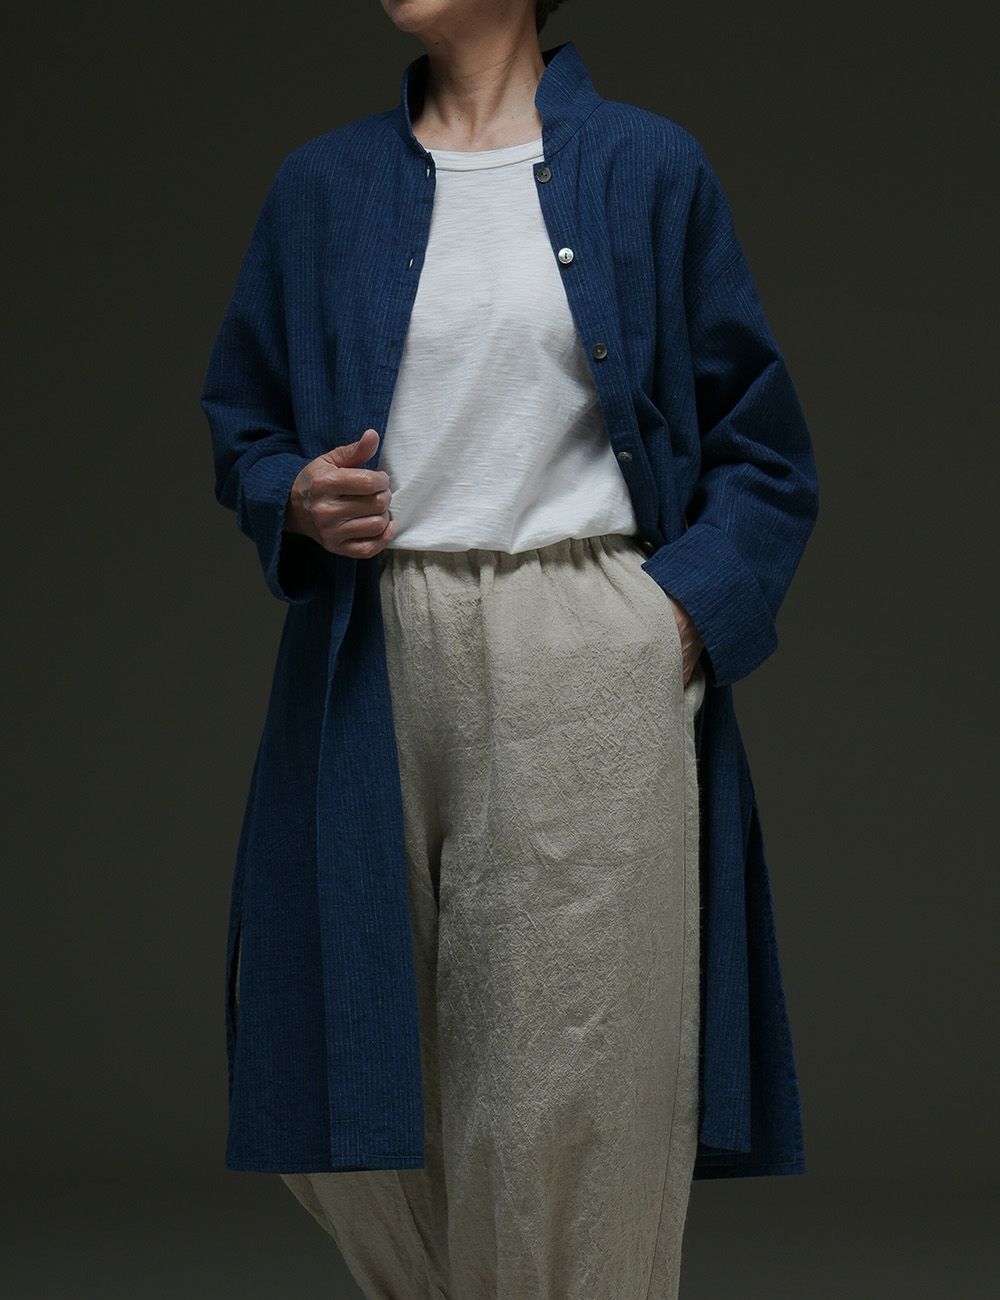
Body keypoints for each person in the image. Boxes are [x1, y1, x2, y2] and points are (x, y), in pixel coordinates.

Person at [200, 2, 819, 1297]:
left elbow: (763, 453)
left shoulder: (649, 166)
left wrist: (666, 623)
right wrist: (292, 497)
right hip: (368, 650)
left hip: (580, 647)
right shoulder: (320, 186)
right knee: (351, 1065)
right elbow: (244, 420)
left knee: (568, 1080)